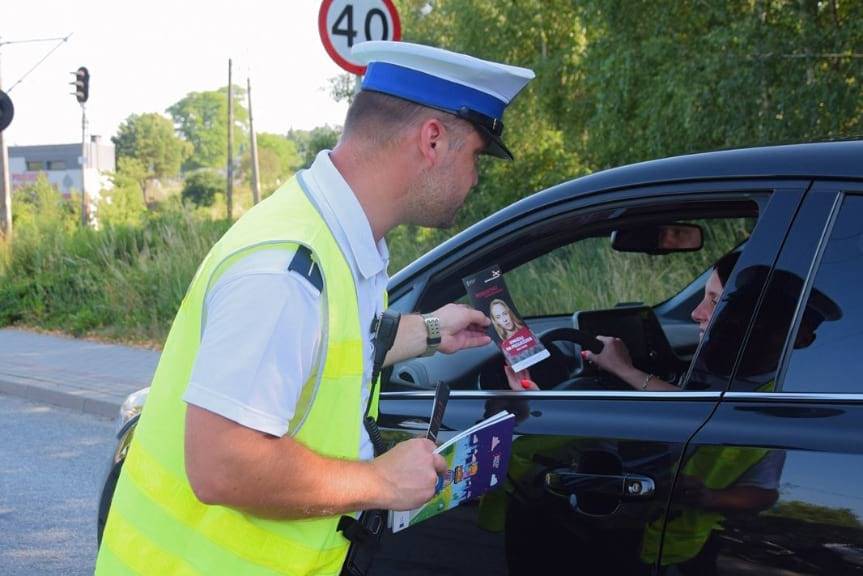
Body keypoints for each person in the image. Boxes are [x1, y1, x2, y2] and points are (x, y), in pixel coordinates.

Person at [96, 41, 535, 575]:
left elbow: (331, 346)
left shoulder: (336, 238)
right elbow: (220, 465)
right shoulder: (286, 270)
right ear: (433, 140)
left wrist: (433, 330)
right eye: (475, 156)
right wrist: (381, 480)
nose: (475, 177)